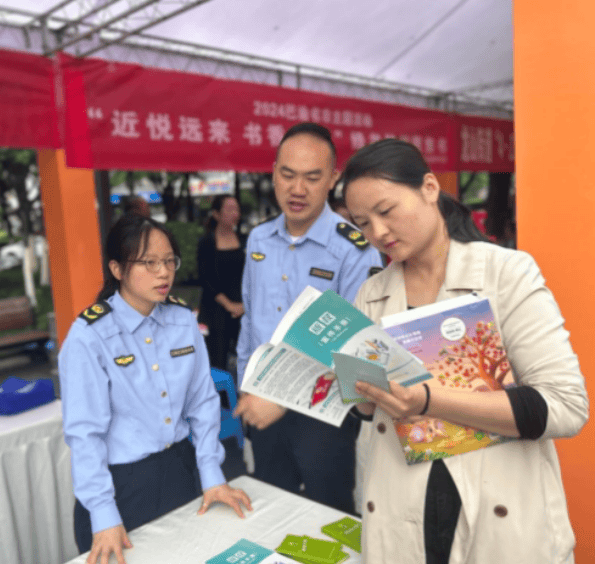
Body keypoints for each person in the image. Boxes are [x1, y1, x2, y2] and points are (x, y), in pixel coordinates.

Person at [342, 138, 588, 564]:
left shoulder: (506, 273)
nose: (377, 233)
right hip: (402, 513)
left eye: (386, 211)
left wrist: (427, 399)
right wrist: (360, 392)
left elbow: (565, 406)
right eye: (363, 223)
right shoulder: (372, 294)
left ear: (429, 188)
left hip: (500, 515)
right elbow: (367, 413)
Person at [59, 215, 252, 564]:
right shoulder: (90, 336)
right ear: (117, 269)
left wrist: (211, 474)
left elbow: (203, 402)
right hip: (121, 487)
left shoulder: (181, 320)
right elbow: (85, 435)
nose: (163, 273)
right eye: (149, 263)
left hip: (179, 469)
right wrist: (103, 515)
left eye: (168, 261)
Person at [234, 122, 383, 514]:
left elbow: (353, 346)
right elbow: (251, 323)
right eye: (287, 174)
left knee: (327, 515)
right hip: (262, 404)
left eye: (312, 178)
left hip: (325, 414)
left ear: (333, 179)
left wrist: (281, 398)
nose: (297, 189)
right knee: (272, 511)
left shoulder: (354, 250)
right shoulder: (259, 240)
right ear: (273, 172)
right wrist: (247, 387)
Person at [197, 195, 246, 374]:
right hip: (215, 308)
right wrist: (229, 305)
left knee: (246, 356)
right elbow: (206, 278)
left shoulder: (245, 240)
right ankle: (220, 399)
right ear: (216, 214)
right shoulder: (207, 243)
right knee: (216, 359)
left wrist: (243, 305)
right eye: (230, 209)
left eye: (237, 209)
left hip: (243, 308)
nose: (235, 213)